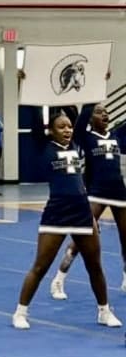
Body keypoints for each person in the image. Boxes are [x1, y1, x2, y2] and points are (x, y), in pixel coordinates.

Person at [11, 104, 121, 330]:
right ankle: (21, 312)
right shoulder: (44, 146)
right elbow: (34, 121)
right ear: (51, 130)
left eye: (69, 127)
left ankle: (104, 311)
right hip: (57, 212)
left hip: (82, 211)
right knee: (41, 266)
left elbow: (83, 118)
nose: (67, 130)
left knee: (95, 265)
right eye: (61, 127)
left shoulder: (76, 143)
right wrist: (27, 89)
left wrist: (94, 86)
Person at [49, 102, 126, 299]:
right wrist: (92, 97)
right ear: (92, 119)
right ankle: (59, 279)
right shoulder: (86, 137)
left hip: (119, 192)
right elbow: (81, 119)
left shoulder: (116, 135)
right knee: (79, 238)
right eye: (99, 113)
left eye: (106, 112)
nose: (104, 115)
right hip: (96, 192)